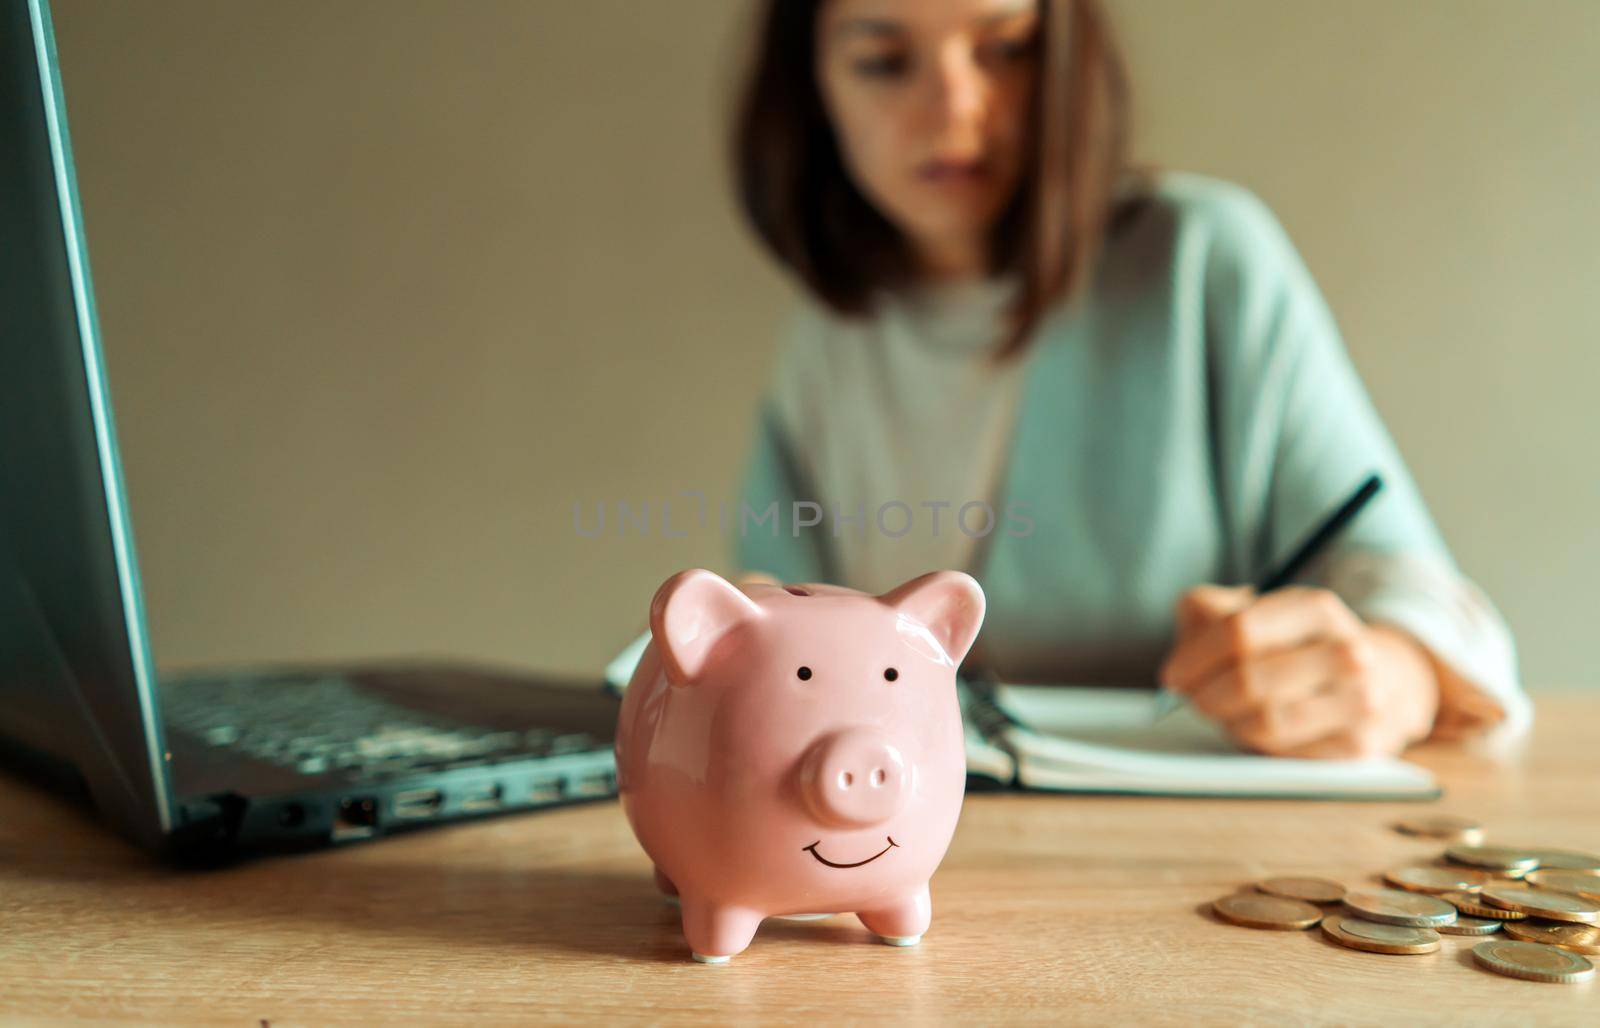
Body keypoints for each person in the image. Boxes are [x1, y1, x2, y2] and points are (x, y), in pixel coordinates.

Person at [727, 0, 1526, 757]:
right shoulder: (827, 334)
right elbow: (780, 630)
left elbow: (1412, 588)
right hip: (901, 862)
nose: (954, 110)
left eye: (1009, 49)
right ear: (810, 87)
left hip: (1190, 864)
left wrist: (1397, 674)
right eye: (884, 60)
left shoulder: (1202, 261)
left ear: (1070, 58)